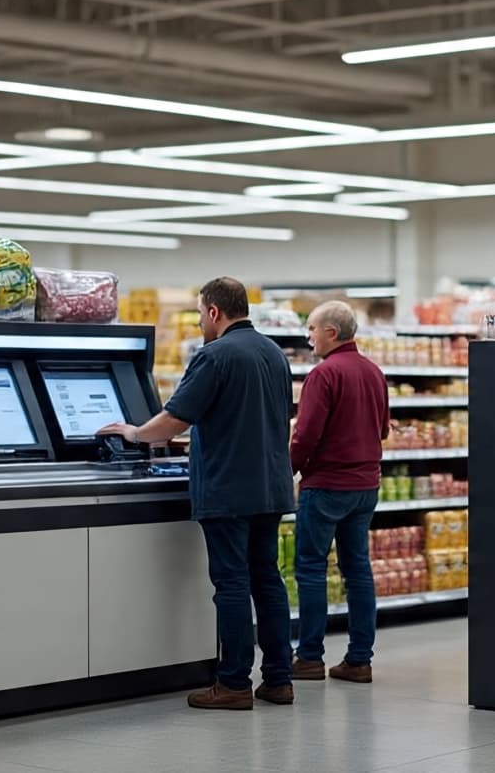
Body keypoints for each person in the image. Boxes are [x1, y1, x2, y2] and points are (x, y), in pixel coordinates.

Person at [98, 277, 296, 711]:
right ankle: (279, 679)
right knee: (267, 579)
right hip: (272, 484)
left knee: (231, 582)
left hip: (229, 487)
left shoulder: (215, 355)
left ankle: (233, 684)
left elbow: (175, 419)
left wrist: (134, 433)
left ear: (212, 312)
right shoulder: (274, 355)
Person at [289, 301, 390, 684]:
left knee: (312, 569)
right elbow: (382, 429)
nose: (308, 336)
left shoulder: (324, 374)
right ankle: (359, 659)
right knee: (358, 571)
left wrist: (289, 471)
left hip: (327, 486)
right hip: (366, 487)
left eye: (312, 329)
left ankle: (310, 657)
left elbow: (306, 434)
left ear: (331, 332)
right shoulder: (374, 372)